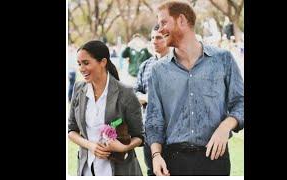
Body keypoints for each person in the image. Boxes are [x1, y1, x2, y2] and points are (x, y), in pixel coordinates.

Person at [145, 0, 244, 176]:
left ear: (181, 20)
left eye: (163, 23)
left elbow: (241, 102)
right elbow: (154, 119)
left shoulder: (223, 59)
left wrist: (225, 126)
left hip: (215, 159)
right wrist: (156, 155)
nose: (159, 30)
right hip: (173, 162)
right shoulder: (158, 70)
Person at [68, 40, 144, 176]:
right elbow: (71, 131)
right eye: (79, 64)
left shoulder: (126, 93)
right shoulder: (78, 89)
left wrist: (124, 147)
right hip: (87, 170)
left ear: (103, 62)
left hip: (121, 170)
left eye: (86, 63)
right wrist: (91, 146)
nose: (81, 68)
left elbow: (139, 136)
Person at [134, 24, 170, 176]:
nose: (154, 41)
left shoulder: (178, 64)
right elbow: (135, 93)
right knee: (152, 171)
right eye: (152, 38)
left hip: (171, 130)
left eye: (159, 38)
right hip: (149, 129)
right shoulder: (145, 65)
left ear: (168, 39)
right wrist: (148, 98)